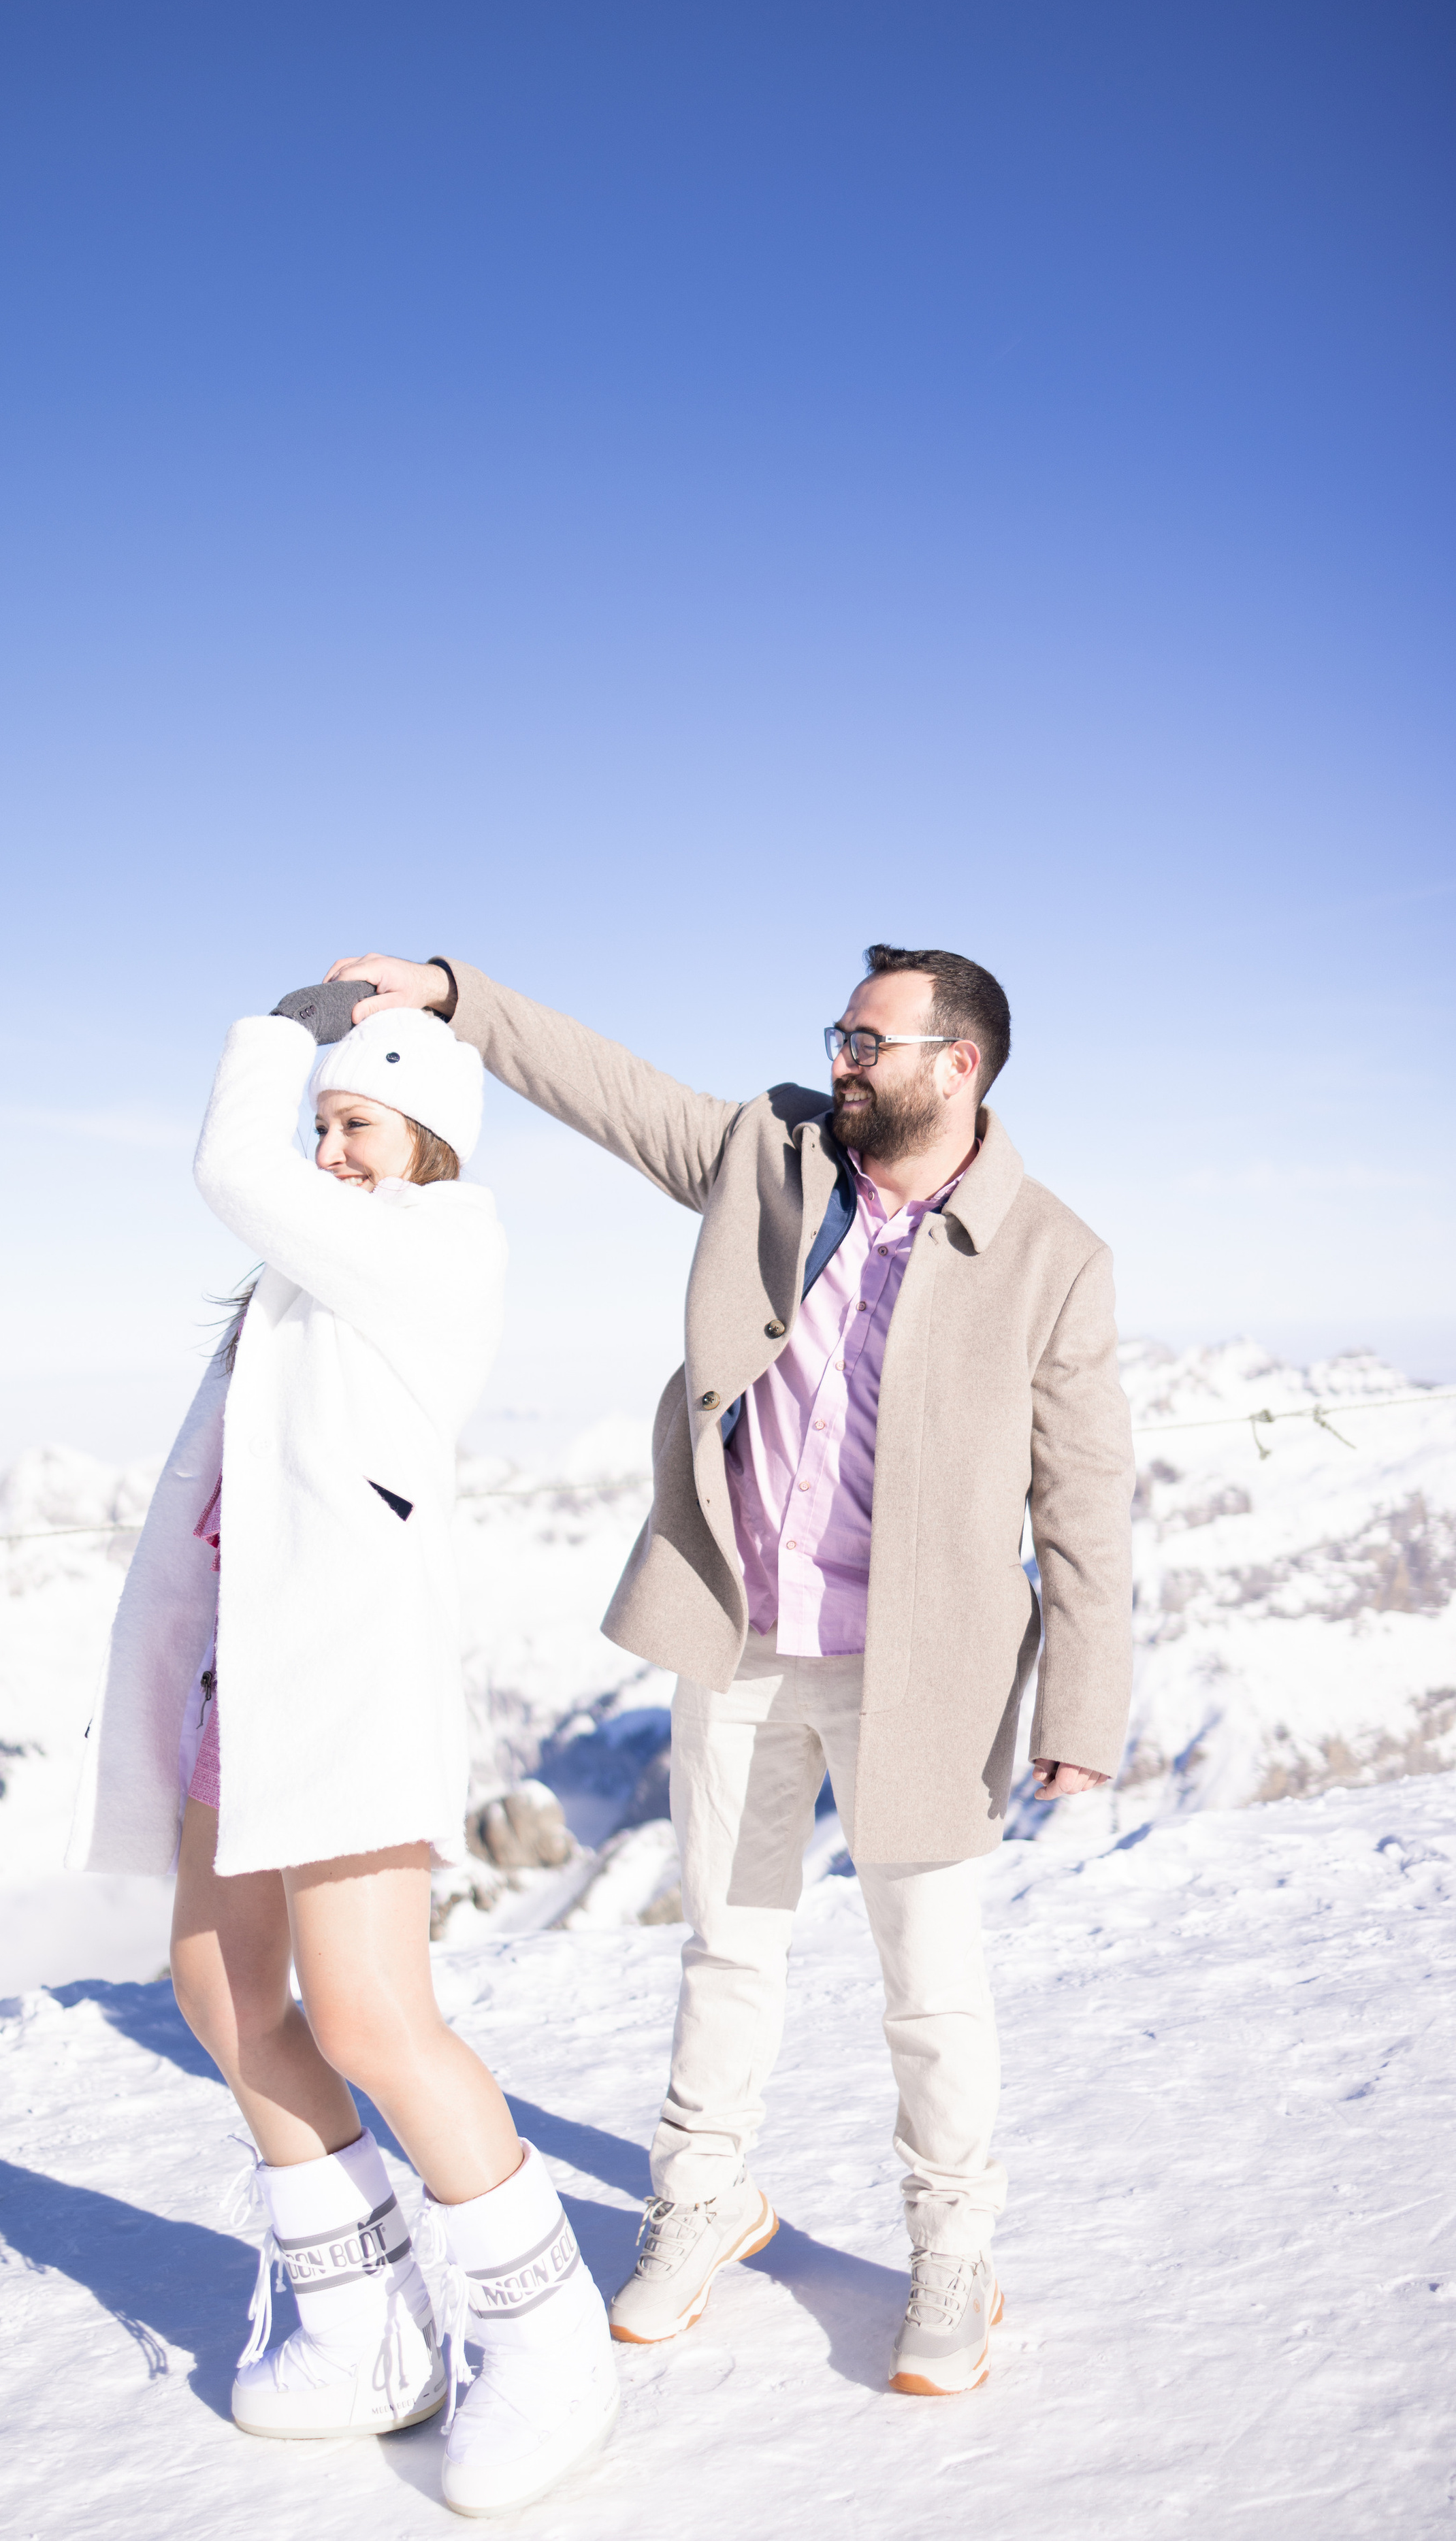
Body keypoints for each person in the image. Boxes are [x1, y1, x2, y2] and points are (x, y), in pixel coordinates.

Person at [323, 944, 1133, 2399]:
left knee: (930, 1986)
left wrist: (1081, 1701)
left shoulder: (1052, 1256)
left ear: (957, 1065)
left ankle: (953, 2249)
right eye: (838, 1033)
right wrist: (454, 994)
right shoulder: (772, 1151)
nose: (839, 1059)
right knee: (727, 1945)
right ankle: (702, 2196)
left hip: (922, 1674)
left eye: (867, 1041)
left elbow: (1083, 1496)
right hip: (740, 1638)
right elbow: (609, 1089)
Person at [68, 987, 618, 2517]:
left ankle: (547, 2338)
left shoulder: (439, 1243)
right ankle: (365, 2317)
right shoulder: (303, 1275)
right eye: (319, 1122)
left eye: (355, 1121)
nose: (328, 1149)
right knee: (220, 1989)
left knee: (373, 2015)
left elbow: (229, 1168)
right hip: (243, 1680)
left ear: (427, 1135)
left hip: (348, 1683)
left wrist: (277, 1028)